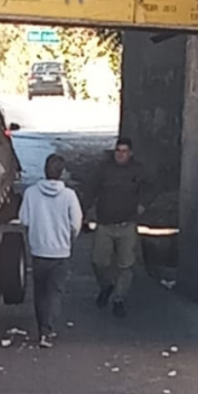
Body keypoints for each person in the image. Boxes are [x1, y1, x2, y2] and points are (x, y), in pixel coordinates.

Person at [18, 154, 83, 348]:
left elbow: (24, 220)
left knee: (40, 293)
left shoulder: (31, 193)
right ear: (62, 173)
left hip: (39, 251)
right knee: (55, 293)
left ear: (44, 171)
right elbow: (76, 222)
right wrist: (70, 239)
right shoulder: (69, 196)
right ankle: (48, 330)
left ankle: (41, 328)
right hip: (61, 252)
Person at [85, 137, 154, 318]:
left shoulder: (138, 170)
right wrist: (86, 212)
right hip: (105, 224)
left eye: (124, 151)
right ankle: (106, 286)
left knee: (126, 265)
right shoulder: (104, 169)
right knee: (98, 261)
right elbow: (91, 189)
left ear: (130, 153)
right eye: (118, 151)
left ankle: (119, 299)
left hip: (127, 225)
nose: (120, 155)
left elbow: (151, 187)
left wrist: (143, 204)